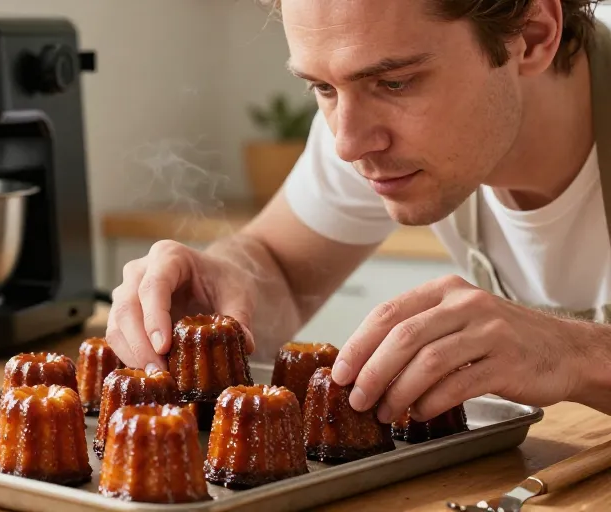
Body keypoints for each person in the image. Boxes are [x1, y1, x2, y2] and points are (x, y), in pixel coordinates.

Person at [105, 0, 611, 423]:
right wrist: (224, 279)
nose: (346, 144)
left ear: (533, 33)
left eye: (395, 83)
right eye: (322, 88)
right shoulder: (357, 129)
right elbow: (277, 264)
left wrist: (571, 353)